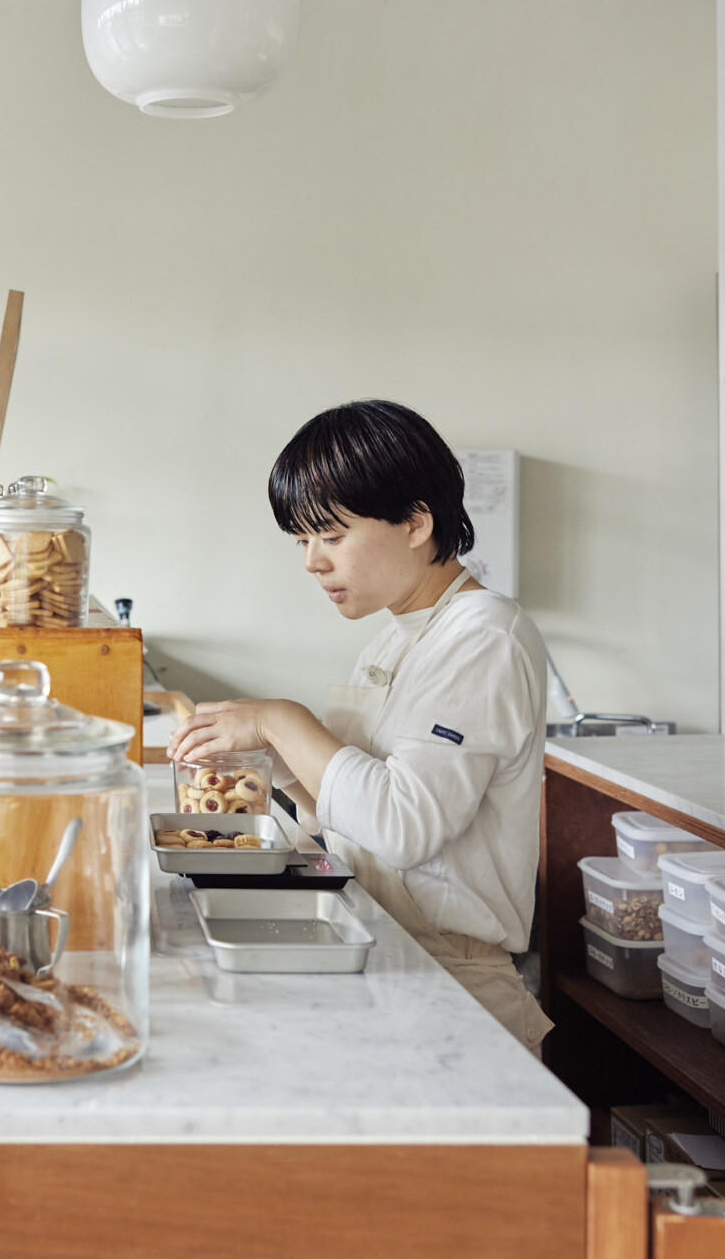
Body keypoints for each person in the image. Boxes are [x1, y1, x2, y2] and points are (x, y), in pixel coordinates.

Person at [170, 399, 553, 1053]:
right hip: (388, 957)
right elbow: (354, 817)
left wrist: (284, 721)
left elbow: (403, 827)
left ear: (414, 523)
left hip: (454, 986)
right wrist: (268, 754)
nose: (311, 563)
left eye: (331, 536)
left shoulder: (483, 637)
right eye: (301, 540)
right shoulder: (393, 640)